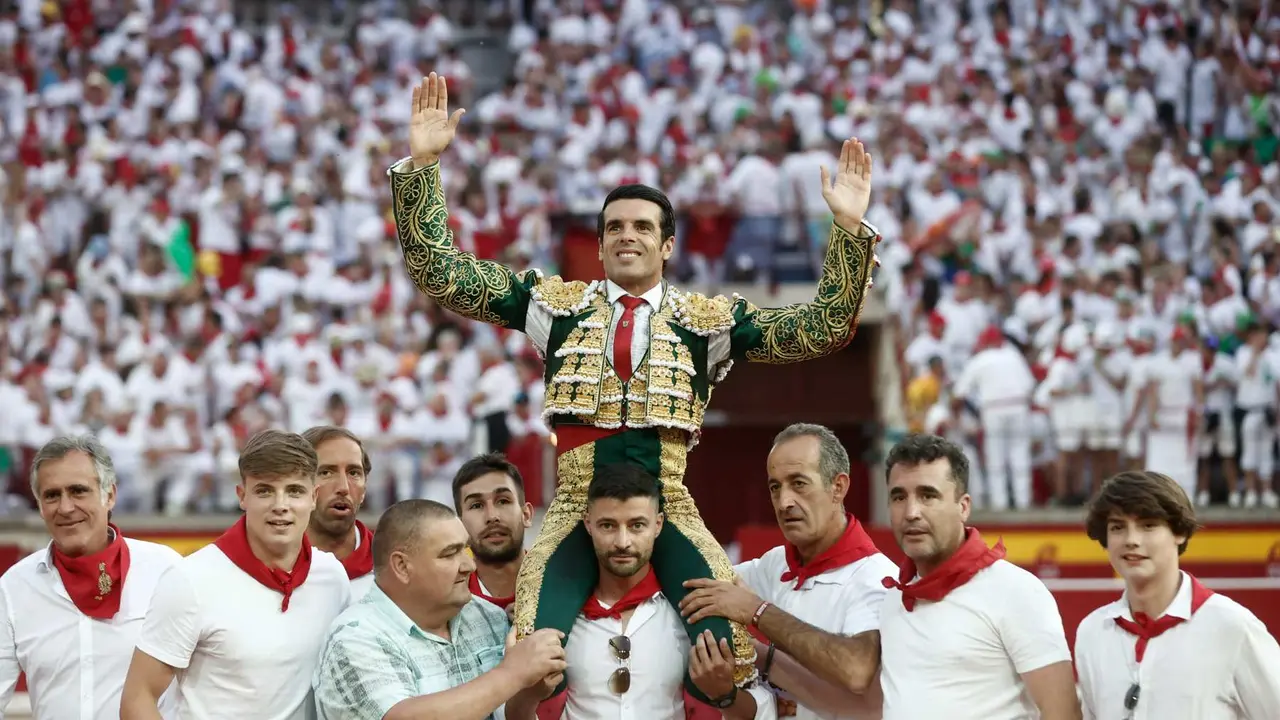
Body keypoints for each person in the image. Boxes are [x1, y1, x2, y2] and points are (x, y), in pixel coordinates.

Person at [390, 72, 883, 695]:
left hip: (666, 507)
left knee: (728, 657)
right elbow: (441, 275)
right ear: (599, 246)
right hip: (574, 509)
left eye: (642, 227)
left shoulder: (709, 324)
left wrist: (847, 230)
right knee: (529, 660)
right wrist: (423, 167)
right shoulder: (554, 306)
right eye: (615, 228)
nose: (628, 236)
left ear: (667, 243)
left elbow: (822, 330)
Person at [121, 429, 352, 720]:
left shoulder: (332, 578)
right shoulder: (190, 579)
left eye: (294, 490)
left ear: (314, 497)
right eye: (265, 490)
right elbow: (138, 698)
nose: (280, 505)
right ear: (242, 496)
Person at [522, 464, 776, 720]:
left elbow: (761, 710)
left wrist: (725, 694)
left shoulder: (689, 614)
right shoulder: (558, 621)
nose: (622, 542)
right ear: (588, 524)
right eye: (608, 526)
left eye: (637, 526)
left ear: (658, 524)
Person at [678, 424, 894, 719]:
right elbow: (701, 586)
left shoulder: (876, 577)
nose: (784, 502)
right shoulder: (774, 564)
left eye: (799, 483)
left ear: (838, 487)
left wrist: (757, 612)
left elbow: (857, 670)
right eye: (775, 487)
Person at [878, 434, 1080, 720]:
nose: (911, 512)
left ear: (964, 507)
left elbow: (1063, 713)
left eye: (928, 495)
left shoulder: (1015, 591)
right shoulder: (892, 598)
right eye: (899, 497)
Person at [313, 499, 566, 720]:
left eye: (465, 549)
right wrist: (513, 674)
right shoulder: (354, 638)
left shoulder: (488, 617)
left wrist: (526, 696)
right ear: (402, 566)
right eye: (449, 554)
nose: (469, 565)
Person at [0, 435, 183, 717]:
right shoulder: (14, 587)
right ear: (39, 505)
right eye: (52, 495)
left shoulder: (165, 570)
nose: (65, 507)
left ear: (109, 495)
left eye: (78, 491)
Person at [1075, 471, 1280, 719]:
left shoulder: (1232, 627)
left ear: (1179, 532)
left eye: (1148, 525)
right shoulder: (1092, 632)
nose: (1131, 540)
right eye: (1118, 527)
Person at [452, 453, 533, 613]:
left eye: (503, 501)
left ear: (526, 515)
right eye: (476, 505)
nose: (492, 516)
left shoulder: (560, 585)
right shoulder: (445, 599)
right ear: (460, 525)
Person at [304, 425, 377, 598]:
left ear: (364, 489)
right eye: (327, 472)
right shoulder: (267, 567)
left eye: (354, 473)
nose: (343, 487)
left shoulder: (393, 572)